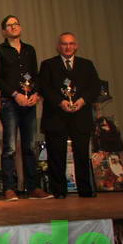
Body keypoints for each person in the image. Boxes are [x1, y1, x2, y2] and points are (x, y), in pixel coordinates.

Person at [0, 15, 53, 201]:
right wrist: (15, 94)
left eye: (16, 24)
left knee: (30, 147)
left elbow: (35, 75)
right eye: (9, 25)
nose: (13, 27)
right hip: (10, 102)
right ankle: (9, 188)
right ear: (4, 31)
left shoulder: (29, 50)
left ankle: (33, 187)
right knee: (9, 147)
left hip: (29, 102)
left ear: (20, 27)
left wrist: (36, 94)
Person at [38, 32, 101, 198]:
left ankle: (85, 189)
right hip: (55, 116)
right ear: (58, 46)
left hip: (81, 116)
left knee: (82, 154)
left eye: (71, 43)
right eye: (64, 44)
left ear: (76, 46)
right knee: (56, 155)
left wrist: (82, 101)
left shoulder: (86, 64)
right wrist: (61, 102)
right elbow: (44, 87)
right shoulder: (48, 65)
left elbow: (95, 87)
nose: (68, 47)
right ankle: (58, 191)